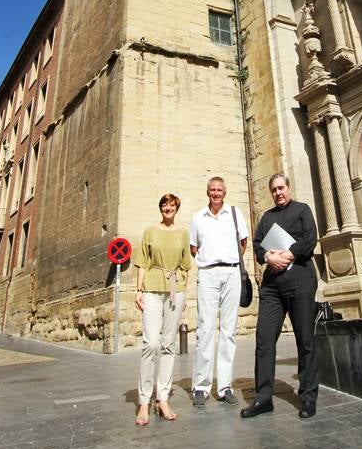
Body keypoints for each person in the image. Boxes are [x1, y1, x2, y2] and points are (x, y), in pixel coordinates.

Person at [241, 173, 318, 420]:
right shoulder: (267, 217)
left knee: (305, 338)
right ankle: (264, 397)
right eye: (274, 189)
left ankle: (308, 397)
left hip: (300, 280)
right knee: (264, 339)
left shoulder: (303, 210)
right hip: (272, 286)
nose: (278, 193)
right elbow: (257, 245)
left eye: (281, 188)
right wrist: (267, 257)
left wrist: (288, 255)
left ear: (289, 188)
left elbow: (309, 240)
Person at [190, 176, 248, 407]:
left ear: (225, 192)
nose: (216, 193)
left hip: (232, 272)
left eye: (219, 190)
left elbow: (243, 242)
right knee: (205, 329)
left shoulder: (234, 214)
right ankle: (201, 387)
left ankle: (224, 387)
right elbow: (194, 248)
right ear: (207, 192)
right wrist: (210, 260)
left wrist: (230, 259)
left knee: (228, 330)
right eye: (212, 190)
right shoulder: (198, 217)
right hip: (208, 273)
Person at [133, 193, 191, 425]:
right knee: (151, 344)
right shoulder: (150, 231)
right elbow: (142, 262)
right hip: (152, 290)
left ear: (177, 208)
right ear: (161, 208)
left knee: (168, 344)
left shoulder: (182, 233)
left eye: (172, 205)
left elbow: (186, 265)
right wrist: (138, 290)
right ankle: (144, 401)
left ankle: (163, 399)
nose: (168, 208)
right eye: (165, 205)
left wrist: (184, 292)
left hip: (175, 291)